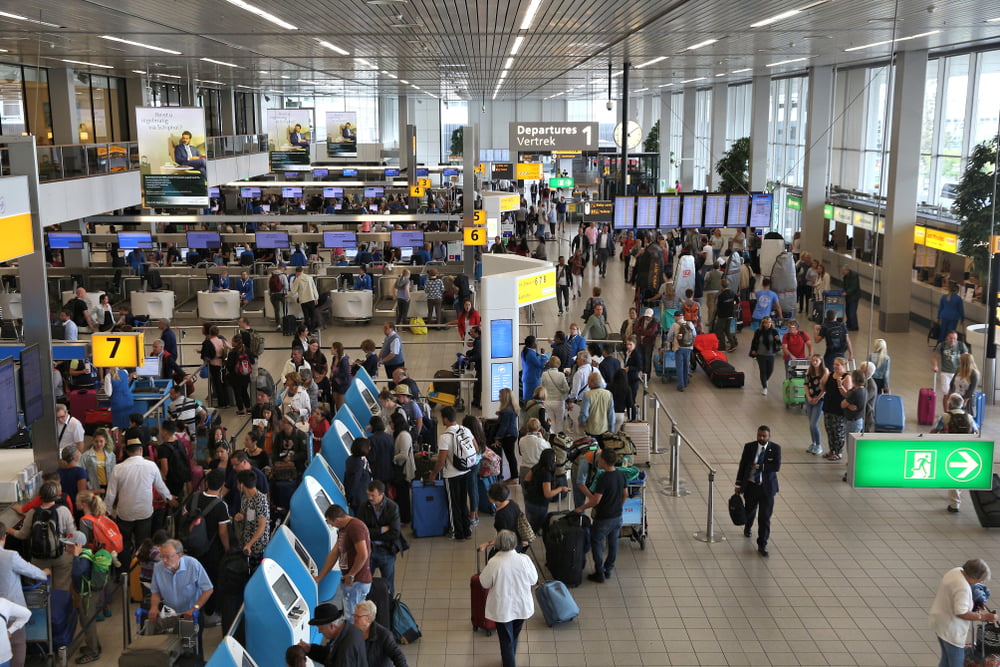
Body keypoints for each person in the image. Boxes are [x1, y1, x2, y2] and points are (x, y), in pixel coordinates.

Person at [106, 440, 175, 569]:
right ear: (141, 450)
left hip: (125, 513)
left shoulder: (118, 468)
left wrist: (107, 511)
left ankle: (124, 571)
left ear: (127, 451)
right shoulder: (151, 466)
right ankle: (139, 571)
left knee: (124, 544)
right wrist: (170, 498)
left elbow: (111, 494)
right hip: (145, 513)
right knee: (142, 543)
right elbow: (161, 487)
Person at [478, 529, 537, 667]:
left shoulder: (494, 562)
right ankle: (510, 658)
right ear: (515, 542)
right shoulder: (524, 559)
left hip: (502, 609)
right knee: (514, 636)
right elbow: (534, 580)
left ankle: (509, 662)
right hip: (522, 606)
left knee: (506, 640)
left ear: (498, 544)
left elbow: (484, 583)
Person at [928, 559, 997, 667]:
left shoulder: (956, 571)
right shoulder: (963, 588)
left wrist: (972, 603)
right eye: (980, 580)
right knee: (956, 663)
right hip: (951, 630)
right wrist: (984, 616)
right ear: (973, 576)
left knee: (946, 660)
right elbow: (961, 613)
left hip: (940, 622)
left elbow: (955, 598)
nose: (981, 583)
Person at [0, 519, 49, 667]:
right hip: (11, 609)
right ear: (4, 537)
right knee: (18, 643)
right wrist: (44, 573)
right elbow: (29, 570)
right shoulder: (10, 556)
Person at [574, 448, 626, 582]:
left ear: (603, 461)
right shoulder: (621, 475)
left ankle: (599, 572)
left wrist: (582, 507)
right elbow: (625, 494)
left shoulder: (603, 478)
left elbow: (596, 500)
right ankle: (608, 569)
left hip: (604, 518)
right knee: (613, 542)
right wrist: (619, 506)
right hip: (618, 516)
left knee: (596, 541)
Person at [317, 505, 373, 620]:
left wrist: (352, 574)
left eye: (331, 523)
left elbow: (363, 554)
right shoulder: (343, 529)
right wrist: (320, 577)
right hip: (350, 580)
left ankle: (356, 637)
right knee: (349, 615)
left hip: (357, 581)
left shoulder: (355, 527)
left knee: (354, 618)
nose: (332, 526)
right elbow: (334, 553)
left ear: (337, 520)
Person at [427, 406, 474, 541]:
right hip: (466, 470)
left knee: (453, 504)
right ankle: (467, 529)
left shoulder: (445, 436)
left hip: (451, 475)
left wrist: (433, 474)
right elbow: (475, 448)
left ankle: (456, 532)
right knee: (463, 501)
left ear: (445, 419)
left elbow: (441, 460)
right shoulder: (465, 430)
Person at [734, 425, 782, 558]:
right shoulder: (749, 447)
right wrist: (738, 484)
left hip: (767, 489)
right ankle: (748, 527)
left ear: (769, 436)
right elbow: (742, 465)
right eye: (759, 435)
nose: (761, 438)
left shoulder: (775, 448)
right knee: (749, 510)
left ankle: (762, 544)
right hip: (751, 486)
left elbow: (776, 466)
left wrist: (761, 466)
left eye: (764, 436)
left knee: (765, 517)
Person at [357, 481, 402, 595]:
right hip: (368, 550)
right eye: (368, 495)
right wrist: (382, 530)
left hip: (386, 550)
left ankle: (389, 608)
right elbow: (361, 531)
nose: (370, 498)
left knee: (388, 585)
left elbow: (395, 532)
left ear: (382, 495)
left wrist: (371, 532)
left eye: (373, 495)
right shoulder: (363, 506)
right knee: (365, 583)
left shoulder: (392, 507)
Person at [299, 603, 367, 667]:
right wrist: (310, 649)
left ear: (332, 626)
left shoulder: (346, 650)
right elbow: (330, 655)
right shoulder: (347, 630)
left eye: (321, 628)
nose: (319, 632)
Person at [522, 449, 569, 534]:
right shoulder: (546, 473)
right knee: (535, 526)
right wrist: (561, 489)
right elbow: (547, 494)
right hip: (539, 504)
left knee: (531, 520)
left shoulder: (536, 467)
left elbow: (526, 480)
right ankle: (527, 541)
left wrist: (532, 489)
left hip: (529, 500)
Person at [352, 600, 407, 667]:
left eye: (358, 616)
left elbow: (398, 656)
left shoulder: (384, 635)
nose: (354, 619)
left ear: (368, 618)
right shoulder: (352, 634)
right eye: (354, 615)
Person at [233, 470, 269, 569]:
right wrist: (241, 516)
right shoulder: (245, 498)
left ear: (242, 484)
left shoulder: (260, 499)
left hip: (257, 546)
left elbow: (262, 527)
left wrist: (249, 544)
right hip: (246, 542)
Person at [933, 330, 968, 414]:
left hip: (958, 373)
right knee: (946, 393)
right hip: (946, 372)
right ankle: (946, 412)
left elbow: (966, 359)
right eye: (950, 338)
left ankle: (958, 411)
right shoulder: (942, 345)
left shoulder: (961, 345)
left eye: (954, 338)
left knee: (958, 394)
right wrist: (935, 366)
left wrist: (962, 362)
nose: (952, 340)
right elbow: (935, 357)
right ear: (947, 338)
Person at [822, 357, 849, 462]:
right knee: (829, 430)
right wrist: (824, 378)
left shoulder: (846, 377)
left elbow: (846, 394)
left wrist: (839, 385)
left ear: (843, 366)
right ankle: (832, 450)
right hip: (828, 407)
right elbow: (823, 388)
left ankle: (839, 452)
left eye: (837, 364)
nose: (834, 366)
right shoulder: (830, 375)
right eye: (834, 364)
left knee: (838, 431)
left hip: (838, 409)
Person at [749, 316, 781, 396]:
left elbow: (779, 343)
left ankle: (765, 380)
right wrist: (753, 350)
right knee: (763, 370)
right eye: (766, 322)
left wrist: (777, 340)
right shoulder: (758, 332)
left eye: (769, 322)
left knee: (770, 370)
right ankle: (764, 387)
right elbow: (754, 341)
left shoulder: (774, 331)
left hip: (771, 354)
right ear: (763, 324)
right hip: (761, 354)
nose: (768, 324)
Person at [494, 388, 520, 484]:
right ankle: (514, 476)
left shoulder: (506, 411)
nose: (499, 397)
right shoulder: (510, 409)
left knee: (510, 456)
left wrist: (497, 438)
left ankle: (514, 477)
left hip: (508, 436)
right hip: (512, 434)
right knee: (511, 456)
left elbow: (503, 427)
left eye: (500, 395)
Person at [804, 355, 828, 456]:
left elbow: (824, 388)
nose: (814, 362)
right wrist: (809, 397)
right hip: (809, 399)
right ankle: (813, 443)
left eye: (816, 360)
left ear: (821, 361)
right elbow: (806, 384)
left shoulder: (824, 372)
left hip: (819, 400)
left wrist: (817, 398)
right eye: (813, 360)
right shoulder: (809, 371)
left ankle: (818, 445)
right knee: (810, 423)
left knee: (814, 424)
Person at [225, 335, 255, 416]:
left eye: (232, 341)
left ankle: (241, 410)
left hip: (235, 377)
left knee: (237, 393)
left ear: (235, 342)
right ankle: (249, 409)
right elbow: (252, 361)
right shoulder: (247, 350)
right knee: (244, 392)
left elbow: (229, 366)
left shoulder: (232, 352)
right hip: (245, 375)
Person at [668, 310, 697, 392]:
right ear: (683, 316)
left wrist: (672, 341)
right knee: (686, 365)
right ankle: (685, 381)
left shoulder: (674, 325)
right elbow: (695, 334)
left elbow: (669, 337)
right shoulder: (690, 324)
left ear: (676, 317)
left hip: (679, 348)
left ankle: (680, 385)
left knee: (679, 367)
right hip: (688, 348)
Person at [579, 372, 614, 437]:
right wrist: (611, 429)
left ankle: (593, 448)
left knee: (592, 447)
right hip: (604, 429)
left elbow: (584, 413)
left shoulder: (587, 395)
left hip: (591, 430)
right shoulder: (608, 394)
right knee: (602, 447)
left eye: (588, 380)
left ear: (592, 382)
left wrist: (582, 422)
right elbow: (611, 413)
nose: (588, 382)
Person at [540, 357, 569, 433]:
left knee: (550, 422)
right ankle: (558, 438)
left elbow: (541, 387)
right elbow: (567, 389)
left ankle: (552, 437)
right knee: (560, 422)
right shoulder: (561, 375)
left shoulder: (544, 374)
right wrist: (562, 392)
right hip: (559, 401)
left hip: (547, 401)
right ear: (558, 364)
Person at [344, 439, 373, 514]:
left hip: (361, 496)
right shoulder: (358, 463)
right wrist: (350, 498)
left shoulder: (354, 459)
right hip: (360, 499)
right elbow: (354, 482)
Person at [0, 598, 30, 667]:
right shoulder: (3, 603)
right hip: (3, 657)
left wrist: (10, 631)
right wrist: (10, 630)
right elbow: (26, 614)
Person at [290, 266, 320, 332]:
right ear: (303, 271)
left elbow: (293, 291)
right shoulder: (310, 278)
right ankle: (312, 330)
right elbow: (314, 288)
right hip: (311, 299)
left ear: (297, 272)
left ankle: (307, 330)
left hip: (303, 301)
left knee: (306, 316)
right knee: (312, 316)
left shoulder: (298, 280)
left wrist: (287, 295)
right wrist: (316, 298)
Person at [520, 336, 549, 403]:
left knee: (527, 400)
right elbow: (540, 365)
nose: (537, 343)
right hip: (533, 380)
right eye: (536, 341)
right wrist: (543, 355)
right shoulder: (530, 354)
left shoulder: (525, 351)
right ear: (533, 344)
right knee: (534, 400)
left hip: (527, 378)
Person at [840, 266, 861, 331]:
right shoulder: (846, 276)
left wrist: (847, 292)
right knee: (847, 311)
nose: (842, 273)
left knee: (852, 312)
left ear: (847, 270)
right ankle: (849, 324)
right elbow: (845, 285)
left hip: (854, 297)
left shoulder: (854, 276)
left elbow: (854, 287)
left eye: (843, 271)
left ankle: (854, 326)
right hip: (849, 297)